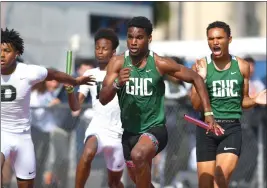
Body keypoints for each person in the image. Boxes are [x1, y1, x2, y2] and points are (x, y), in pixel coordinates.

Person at [99, 16, 222, 188]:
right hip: (129, 133)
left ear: (149, 39)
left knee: (139, 154)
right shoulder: (117, 63)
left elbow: (196, 78)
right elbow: (103, 98)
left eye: (139, 38)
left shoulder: (159, 63)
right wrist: (117, 84)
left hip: (155, 129)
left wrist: (208, 112)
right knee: (141, 181)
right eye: (130, 37)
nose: (133, 42)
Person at [0, 28, 95, 188]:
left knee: (27, 182)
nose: (2, 55)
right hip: (2, 133)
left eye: (6, 51)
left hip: (23, 137)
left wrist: (75, 81)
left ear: (16, 53)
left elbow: (55, 75)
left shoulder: (29, 71)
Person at [190, 21, 267, 188]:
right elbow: (196, 105)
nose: (215, 42)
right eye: (211, 39)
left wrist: (255, 100)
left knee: (219, 178)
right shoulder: (200, 66)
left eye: (219, 38)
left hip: (230, 128)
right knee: (205, 184)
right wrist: (200, 80)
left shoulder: (242, 66)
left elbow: (243, 101)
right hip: (206, 128)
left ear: (229, 39)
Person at [65, 28, 124, 188]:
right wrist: (71, 91)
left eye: (104, 48)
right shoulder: (90, 74)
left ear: (113, 52)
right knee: (88, 153)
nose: (100, 52)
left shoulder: (123, 73)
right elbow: (75, 106)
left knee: (114, 182)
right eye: (97, 48)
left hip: (119, 132)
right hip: (98, 126)